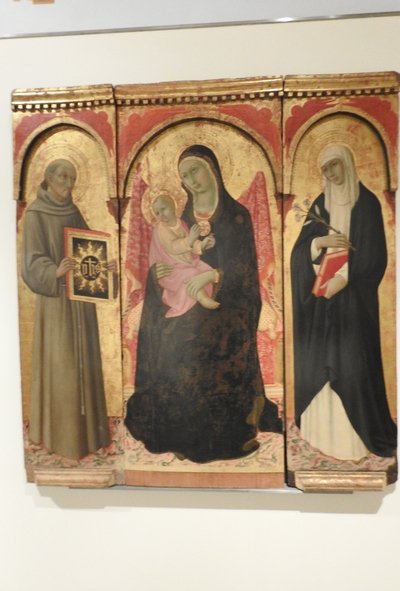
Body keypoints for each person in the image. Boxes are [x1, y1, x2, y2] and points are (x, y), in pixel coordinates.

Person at [125, 145, 281, 463]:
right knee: (170, 338)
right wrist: (156, 276)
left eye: (195, 170)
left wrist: (213, 275)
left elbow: (245, 273)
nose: (191, 180)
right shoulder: (179, 219)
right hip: (183, 300)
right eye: (184, 176)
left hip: (229, 306)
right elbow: (165, 259)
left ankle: (229, 437)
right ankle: (179, 433)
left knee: (214, 339)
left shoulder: (237, 217)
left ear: (212, 170)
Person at [291, 144, 397, 460]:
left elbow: (376, 255)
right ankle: (320, 435)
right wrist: (318, 243)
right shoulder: (320, 205)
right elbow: (298, 255)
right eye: (325, 169)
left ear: (348, 163)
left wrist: (345, 278)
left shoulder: (367, 204)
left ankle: (354, 440)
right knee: (319, 360)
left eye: (335, 165)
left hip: (354, 305)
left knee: (352, 363)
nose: (331, 173)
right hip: (322, 305)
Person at [22, 159, 111, 460]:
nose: (68, 183)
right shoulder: (35, 214)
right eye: (63, 176)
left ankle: (90, 436)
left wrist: (104, 266)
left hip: (81, 303)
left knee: (85, 364)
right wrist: (54, 271)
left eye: (72, 178)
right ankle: (60, 438)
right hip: (56, 304)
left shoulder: (73, 211)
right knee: (63, 366)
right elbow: (31, 262)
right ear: (48, 178)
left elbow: (87, 251)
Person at [150, 193, 219, 317]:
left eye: (163, 209)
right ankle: (203, 298)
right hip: (173, 269)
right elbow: (173, 247)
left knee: (206, 269)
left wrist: (202, 244)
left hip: (188, 263)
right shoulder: (162, 229)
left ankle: (203, 297)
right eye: (157, 213)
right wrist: (190, 240)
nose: (161, 215)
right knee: (191, 274)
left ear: (174, 207)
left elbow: (191, 245)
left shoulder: (181, 224)